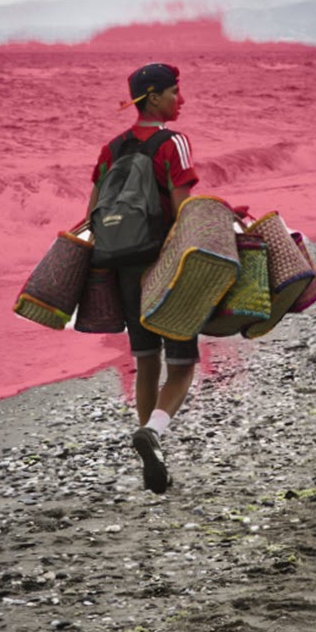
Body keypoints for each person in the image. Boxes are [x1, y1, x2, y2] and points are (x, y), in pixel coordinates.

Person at [87, 63, 199, 494]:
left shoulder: (111, 148)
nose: (181, 100)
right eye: (174, 92)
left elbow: (92, 213)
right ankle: (153, 434)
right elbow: (185, 212)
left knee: (146, 361)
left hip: (123, 265)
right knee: (185, 364)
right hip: (164, 264)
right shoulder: (174, 143)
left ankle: (152, 450)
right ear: (153, 97)